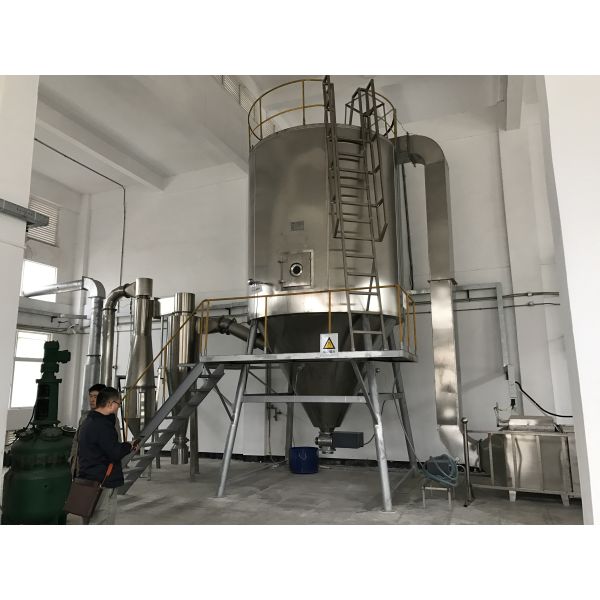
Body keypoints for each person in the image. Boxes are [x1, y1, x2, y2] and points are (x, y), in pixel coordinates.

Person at [77, 387, 139, 525]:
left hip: (89, 477)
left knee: (90, 519)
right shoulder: (103, 425)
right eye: (118, 404)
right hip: (102, 481)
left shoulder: (89, 421)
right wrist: (129, 446)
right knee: (103, 519)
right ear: (110, 403)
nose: (118, 407)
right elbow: (114, 452)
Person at [69, 383, 123, 477]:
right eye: (90, 396)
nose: (92, 399)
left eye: (95, 396)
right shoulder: (84, 418)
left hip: (99, 469)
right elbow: (76, 440)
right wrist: (72, 459)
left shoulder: (111, 419)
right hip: (81, 465)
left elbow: (116, 444)